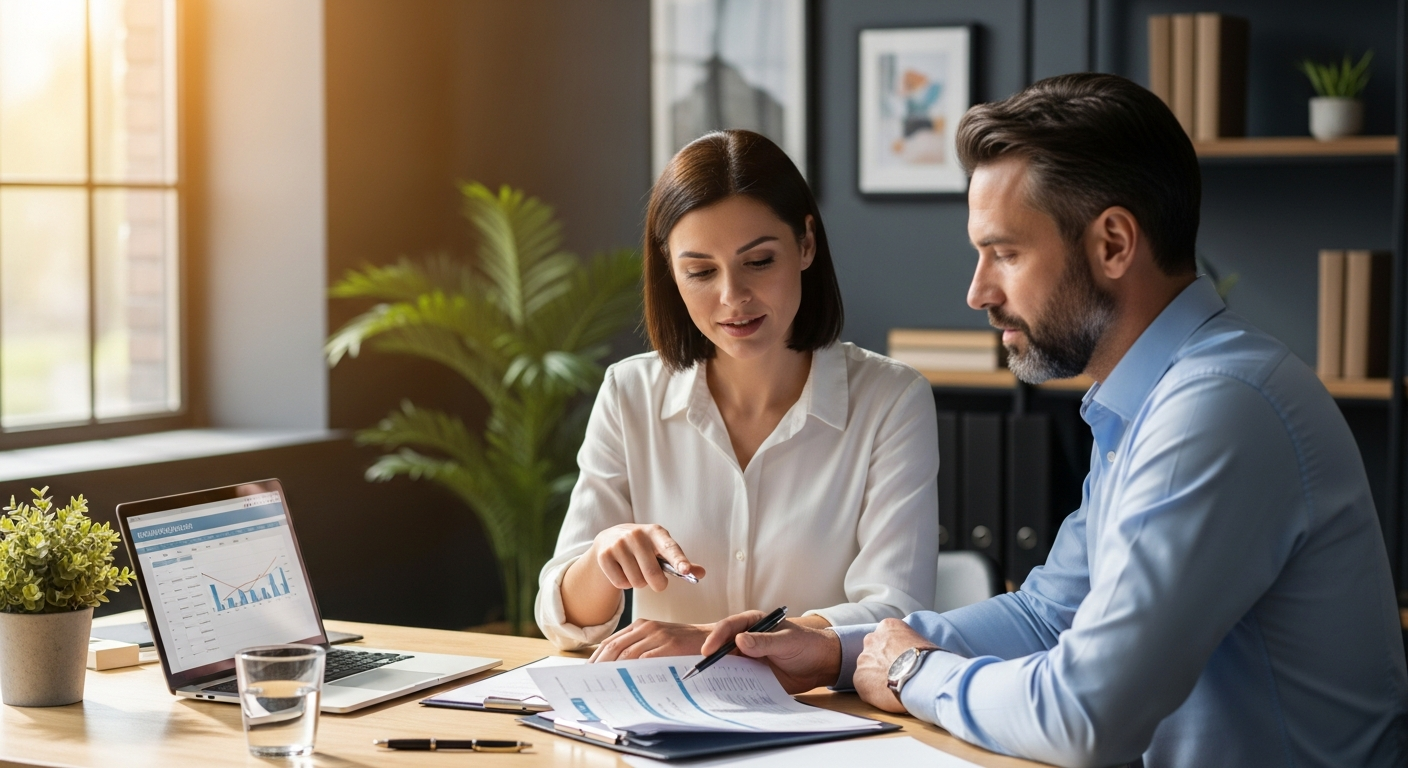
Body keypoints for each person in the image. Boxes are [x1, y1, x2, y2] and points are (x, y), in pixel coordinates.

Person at [702, 74, 1408, 768]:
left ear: (1112, 244)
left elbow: (1086, 716)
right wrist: (837, 649)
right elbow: (1048, 614)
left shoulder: (1218, 408)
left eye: (1004, 253)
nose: (977, 291)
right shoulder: (1152, 397)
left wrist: (916, 675)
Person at [534, 129, 939, 656]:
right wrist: (601, 561)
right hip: (662, 719)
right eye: (700, 271)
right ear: (670, 272)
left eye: (759, 261)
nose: (732, 297)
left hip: (821, 721)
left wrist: (706, 641)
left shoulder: (892, 400)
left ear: (806, 244)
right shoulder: (629, 393)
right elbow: (563, 621)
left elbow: (893, 612)